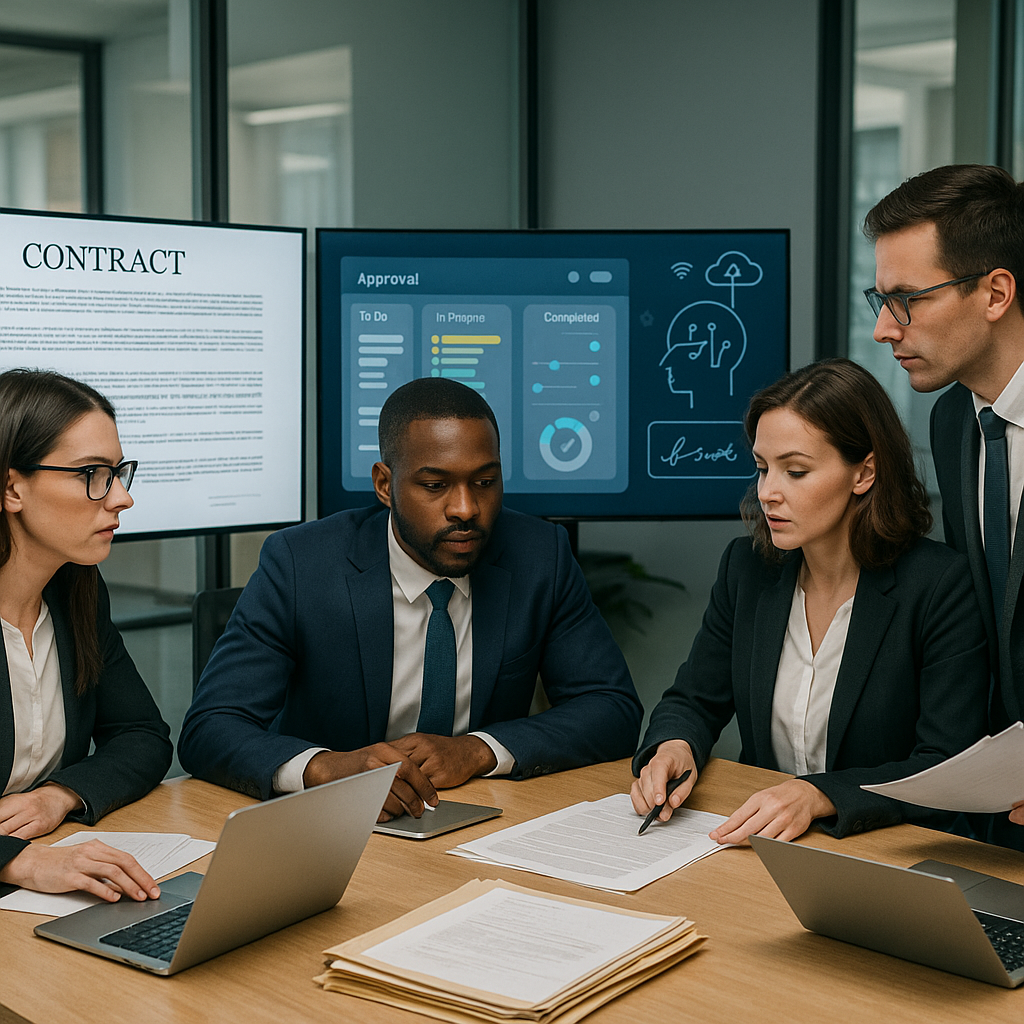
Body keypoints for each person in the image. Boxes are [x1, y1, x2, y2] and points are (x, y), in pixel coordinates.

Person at [178, 377, 642, 820]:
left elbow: (611, 707)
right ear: (385, 484)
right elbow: (210, 726)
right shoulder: (301, 564)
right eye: (435, 486)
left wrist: (477, 750)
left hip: (482, 815)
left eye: (484, 482)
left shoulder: (540, 556)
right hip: (333, 825)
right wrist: (326, 769)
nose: (465, 509)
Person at [630, 358, 989, 843]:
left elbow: (944, 765)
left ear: (864, 473)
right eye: (762, 468)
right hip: (761, 841)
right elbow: (693, 700)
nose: (767, 493)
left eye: (795, 471)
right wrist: (675, 745)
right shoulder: (746, 568)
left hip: (886, 849)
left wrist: (822, 794)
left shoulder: (939, 585)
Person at [864, 164, 1024, 850]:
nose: (883, 329)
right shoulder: (953, 420)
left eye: (907, 299)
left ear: (995, 293)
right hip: (998, 809)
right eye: (880, 299)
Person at [0, 369, 172, 902]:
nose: (121, 498)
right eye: (92, 474)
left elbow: (142, 736)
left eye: (118, 473)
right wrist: (17, 861)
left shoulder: (76, 592)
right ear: (11, 488)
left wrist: (61, 794)